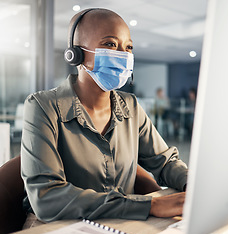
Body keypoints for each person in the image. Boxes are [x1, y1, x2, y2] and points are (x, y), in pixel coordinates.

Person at [21, 8, 187, 222]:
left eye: (128, 47)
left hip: (118, 225)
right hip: (58, 227)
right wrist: (148, 205)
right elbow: (46, 199)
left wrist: (193, 185)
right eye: (110, 44)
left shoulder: (131, 106)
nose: (124, 55)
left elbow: (165, 162)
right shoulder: (43, 106)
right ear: (75, 54)